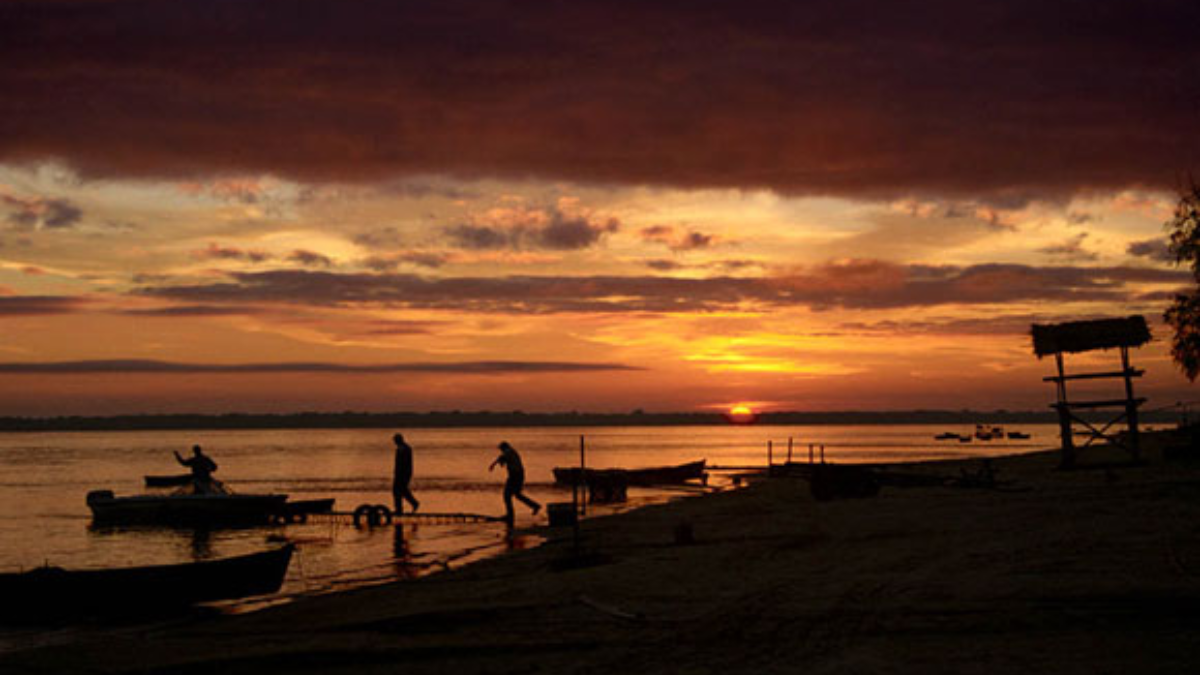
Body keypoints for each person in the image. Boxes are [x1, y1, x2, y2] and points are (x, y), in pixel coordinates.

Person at [489, 441, 540, 524]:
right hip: (519, 475)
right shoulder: (511, 452)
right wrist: (499, 463)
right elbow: (502, 460)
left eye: (501, 449)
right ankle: (535, 506)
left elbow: (501, 458)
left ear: (504, 448)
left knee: (506, 496)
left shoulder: (509, 451)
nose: (501, 451)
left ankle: (510, 516)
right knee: (517, 495)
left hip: (515, 476)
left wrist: (493, 465)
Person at [392, 433, 419, 513]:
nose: (395, 442)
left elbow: (403, 463)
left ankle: (413, 503)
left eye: (395, 440)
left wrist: (399, 473)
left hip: (403, 473)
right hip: (402, 473)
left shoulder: (404, 449)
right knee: (399, 490)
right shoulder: (402, 448)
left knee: (399, 490)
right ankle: (400, 508)